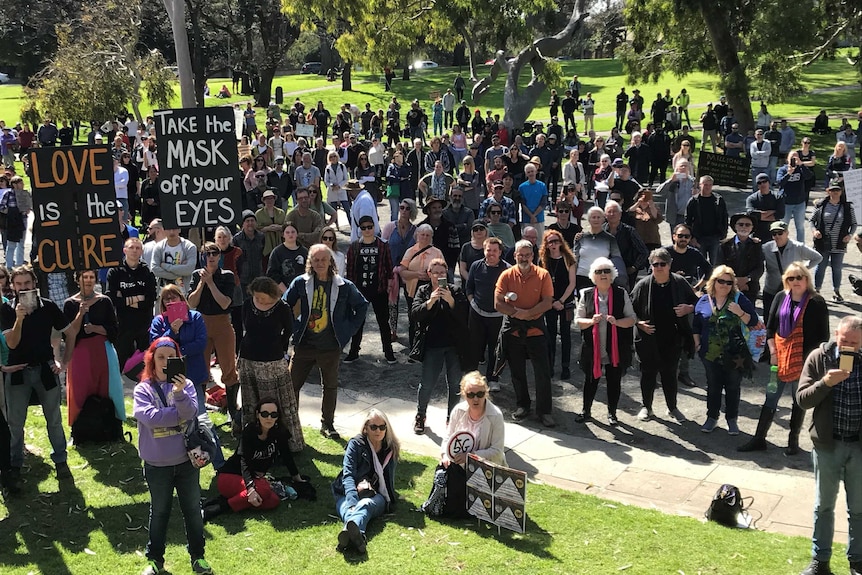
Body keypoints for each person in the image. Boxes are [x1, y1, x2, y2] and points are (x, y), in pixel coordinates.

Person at [133, 337, 214, 575]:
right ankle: (155, 561)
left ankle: (198, 558)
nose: (166, 362)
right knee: (159, 512)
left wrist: (179, 395)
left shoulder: (186, 385)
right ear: (152, 360)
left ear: (178, 360)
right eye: (160, 357)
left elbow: (191, 412)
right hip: (157, 464)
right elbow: (148, 418)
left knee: (192, 510)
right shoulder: (143, 389)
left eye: (171, 357)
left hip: (186, 462)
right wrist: (177, 415)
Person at [738, 264, 829, 455]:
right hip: (779, 358)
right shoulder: (780, 297)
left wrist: (810, 363)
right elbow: (770, 328)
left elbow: (823, 337)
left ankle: (792, 441)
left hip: (804, 362)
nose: (795, 282)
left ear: (807, 279)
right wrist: (773, 353)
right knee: (770, 399)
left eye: (799, 278)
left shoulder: (817, 302)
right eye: (791, 278)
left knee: (798, 401)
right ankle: (759, 438)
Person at [796, 316, 862, 575]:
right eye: (844, 340)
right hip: (827, 445)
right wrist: (826, 383)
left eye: (854, 343)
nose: (847, 346)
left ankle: (857, 561)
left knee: (858, 508)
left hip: (858, 446)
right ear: (836, 334)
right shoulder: (818, 358)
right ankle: (820, 560)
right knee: (824, 505)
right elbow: (802, 400)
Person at [2, 266, 77, 485]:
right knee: (15, 423)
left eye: (27, 283)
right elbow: (12, 343)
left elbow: (70, 333)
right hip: (17, 371)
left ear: (34, 283)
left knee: (53, 419)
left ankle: (61, 461)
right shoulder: (7, 310)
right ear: (13, 286)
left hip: (45, 369)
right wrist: (19, 319)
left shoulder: (49, 306)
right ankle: (14, 466)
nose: (23, 288)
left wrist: (64, 362)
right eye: (19, 284)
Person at [285, 244, 367, 439]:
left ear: (330, 261)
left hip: (330, 346)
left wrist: (348, 331)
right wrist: (292, 328)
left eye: (323, 259)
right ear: (310, 262)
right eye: (316, 259)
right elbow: (284, 304)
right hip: (304, 344)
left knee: (330, 386)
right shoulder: (300, 283)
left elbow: (362, 306)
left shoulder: (344, 286)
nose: (320, 263)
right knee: (290, 385)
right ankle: (290, 423)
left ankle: (327, 424)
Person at [203, 395, 309, 520]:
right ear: (258, 414)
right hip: (231, 476)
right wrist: (251, 489)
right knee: (263, 490)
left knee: (274, 501)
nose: (269, 418)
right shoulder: (250, 431)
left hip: (254, 479)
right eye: (265, 414)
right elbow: (243, 461)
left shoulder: (279, 432)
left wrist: (297, 478)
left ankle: (229, 499)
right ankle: (213, 510)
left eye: (273, 414)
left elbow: (287, 456)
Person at [236, 277, 303, 452]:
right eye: (256, 297)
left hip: (272, 362)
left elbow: (288, 330)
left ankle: (282, 443)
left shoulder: (282, 308)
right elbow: (244, 327)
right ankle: (254, 440)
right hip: (248, 358)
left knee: (274, 403)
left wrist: (278, 348)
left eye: (263, 298)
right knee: (251, 401)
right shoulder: (247, 305)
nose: (259, 300)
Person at [425, 372, 506, 517]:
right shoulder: (458, 410)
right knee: (443, 471)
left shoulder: (496, 415)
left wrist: (470, 456)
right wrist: (444, 455)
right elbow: (448, 437)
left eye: (480, 394)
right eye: (470, 395)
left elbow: (497, 451)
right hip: (459, 465)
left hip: (485, 468)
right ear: (464, 394)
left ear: (486, 393)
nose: (476, 399)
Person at [630, 249, 697, 422]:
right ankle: (647, 407)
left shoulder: (679, 282)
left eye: (663, 264)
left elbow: (697, 302)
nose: (659, 267)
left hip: (672, 337)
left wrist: (688, 308)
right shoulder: (643, 285)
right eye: (655, 264)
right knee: (648, 374)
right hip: (648, 337)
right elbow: (629, 309)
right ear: (650, 266)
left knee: (670, 375)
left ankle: (672, 407)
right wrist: (639, 323)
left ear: (670, 264)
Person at [494, 239, 555, 427]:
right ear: (514, 256)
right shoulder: (506, 275)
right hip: (513, 331)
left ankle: (544, 411)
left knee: (543, 373)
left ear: (533, 256)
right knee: (517, 372)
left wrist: (528, 314)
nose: (524, 258)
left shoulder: (543, 275)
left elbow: (547, 302)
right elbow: (498, 303)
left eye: (527, 255)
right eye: (520, 255)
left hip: (536, 330)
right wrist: (516, 314)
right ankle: (523, 405)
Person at [692, 265, 759, 434]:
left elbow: (753, 322)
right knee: (713, 386)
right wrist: (698, 344)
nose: (724, 285)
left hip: (735, 354)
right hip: (709, 354)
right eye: (721, 281)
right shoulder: (704, 300)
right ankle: (711, 418)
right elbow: (696, 325)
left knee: (732, 387)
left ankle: (732, 420)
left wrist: (740, 313)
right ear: (713, 282)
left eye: (729, 282)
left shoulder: (739, 299)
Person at [574, 257, 637, 426]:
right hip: (592, 348)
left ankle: (612, 414)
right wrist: (591, 321)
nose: (603, 275)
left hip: (615, 348)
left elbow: (632, 319)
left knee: (614, 381)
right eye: (599, 272)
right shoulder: (586, 294)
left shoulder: (620, 293)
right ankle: (586, 411)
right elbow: (578, 321)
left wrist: (617, 322)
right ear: (593, 276)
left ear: (612, 275)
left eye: (606, 271)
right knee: (590, 381)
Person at [410, 257, 469, 433]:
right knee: (427, 383)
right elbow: (415, 315)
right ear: (429, 274)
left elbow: (464, 316)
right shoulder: (423, 290)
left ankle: (452, 418)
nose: (438, 276)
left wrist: (451, 301)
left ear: (447, 274)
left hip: (454, 346)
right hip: (432, 346)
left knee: (455, 383)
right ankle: (420, 415)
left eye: (442, 273)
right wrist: (430, 302)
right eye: (435, 273)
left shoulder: (456, 291)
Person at [332, 409, 400, 555]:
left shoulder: (390, 449)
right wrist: (351, 500)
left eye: (382, 427)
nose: (378, 431)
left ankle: (348, 533)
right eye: (373, 427)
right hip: (346, 492)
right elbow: (348, 474)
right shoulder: (355, 444)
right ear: (366, 428)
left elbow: (388, 482)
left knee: (366, 505)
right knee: (349, 509)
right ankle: (357, 535)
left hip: (375, 494)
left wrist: (389, 500)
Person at [62, 269, 124, 427]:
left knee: (106, 387)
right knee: (80, 389)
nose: (88, 281)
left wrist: (97, 328)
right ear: (77, 280)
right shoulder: (69, 304)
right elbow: (68, 334)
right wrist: (80, 315)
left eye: (91, 277)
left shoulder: (104, 301)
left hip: (102, 350)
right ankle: (80, 427)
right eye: (84, 277)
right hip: (79, 352)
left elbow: (115, 329)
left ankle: (110, 425)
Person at [188, 241, 239, 403]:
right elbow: (191, 303)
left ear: (219, 256)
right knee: (201, 366)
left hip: (222, 323)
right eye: (207, 253)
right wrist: (203, 282)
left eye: (214, 253)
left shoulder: (227, 275)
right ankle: (200, 404)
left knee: (228, 366)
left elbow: (225, 303)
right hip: (202, 323)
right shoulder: (197, 275)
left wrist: (211, 282)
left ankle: (231, 407)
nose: (211, 257)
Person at [344, 216, 396, 364]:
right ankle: (354, 351)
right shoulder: (354, 247)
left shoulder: (382, 245)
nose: (367, 230)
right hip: (360, 290)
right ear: (360, 229)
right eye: (364, 228)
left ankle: (388, 352)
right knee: (358, 321)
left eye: (369, 227)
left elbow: (388, 266)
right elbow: (350, 270)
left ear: (374, 227)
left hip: (379, 289)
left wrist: (390, 284)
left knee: (383, 322)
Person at [106, 237, 157, 370]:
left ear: (141, 251)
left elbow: (150, 300)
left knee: (146, 365)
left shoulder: (147, 272)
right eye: (131, 248)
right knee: (120, 365)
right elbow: (112, 299)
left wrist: (125, 299)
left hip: (144, 325)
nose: (134, 251)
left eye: (138, 248)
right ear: (124, 250)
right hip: (123, 325)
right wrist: (138, 298)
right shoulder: (115, 271)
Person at [760, 221, 822, 319]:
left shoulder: (798, 247)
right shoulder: (766, 248)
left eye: (780, 233)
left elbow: (818, 257)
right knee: (769, 319)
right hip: (771, 289)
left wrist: (802, 270)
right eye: (774, 234)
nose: (777, 236)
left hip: (793, 290)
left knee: (791, 319)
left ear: (787, 233)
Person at [811, 179, 857, 302]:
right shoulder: (821, 205)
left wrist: (850, 235)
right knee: (821, 266)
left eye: (837, 190)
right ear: (828, 191)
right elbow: (812, 220)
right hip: (823, 242)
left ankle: (836, 291)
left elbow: (853, 224)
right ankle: (817, 290)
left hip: (839, 242)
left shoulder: (847, 207)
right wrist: (815, 231)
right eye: (833, 190)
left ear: (841, 192)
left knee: (837, 268)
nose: (835, 192)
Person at [574, 206, 622, 292]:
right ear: (589, 219)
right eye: (593, 217)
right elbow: (575, 259)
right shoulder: (580, 237)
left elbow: (616, 259)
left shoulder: (610, 238)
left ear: (603, 219)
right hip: (582, 277)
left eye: (598, 217)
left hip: (601, 277)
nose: (596, 220)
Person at [685, 175, 728, 266]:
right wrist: (691, 237)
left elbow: (724, 217)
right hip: (699, 237)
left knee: (716, 264)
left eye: (710, 185)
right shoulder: (693, 201)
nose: (707, 187)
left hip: (715, 237)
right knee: (700, 264)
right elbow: (687, 220)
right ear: (700, 185)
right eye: (705, 184)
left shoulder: (718, 200)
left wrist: (724, 234)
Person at [150, 228, 197, 294]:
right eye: (169, 229)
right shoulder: (158, 247)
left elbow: (189, 269)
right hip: (163, 293)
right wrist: (180, 271)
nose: (171, 232)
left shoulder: (189, 247)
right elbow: (155, 270)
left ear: (179, 230)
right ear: (164, 230)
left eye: (174, 229)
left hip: (184, 292)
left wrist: (165, 266)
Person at [267, 222, 309, 295]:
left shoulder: (304, 251)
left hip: (303, 291)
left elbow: (310, 271)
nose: (290, 234)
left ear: (297, 234)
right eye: (287, 232)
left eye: (293, 232)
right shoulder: (277, 252)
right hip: (282, 292)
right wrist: (287, 292)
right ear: (283, 235)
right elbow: (272, 274)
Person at [746, 173, 786, 242]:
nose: (762, 184)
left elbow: (780, 214)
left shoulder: (778, 197)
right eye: (759, 183)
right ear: (757, 185)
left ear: (768, 182)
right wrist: (772, 211)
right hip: (757, 233)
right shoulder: (751, 198)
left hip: (774, 233)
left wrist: (760, 216)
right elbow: (751, 214)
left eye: (764, 181)